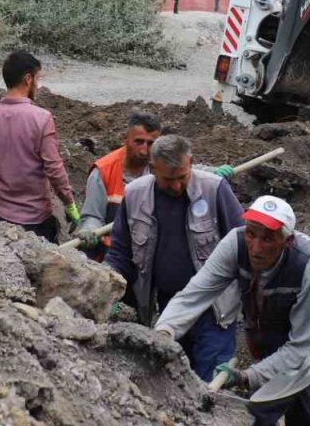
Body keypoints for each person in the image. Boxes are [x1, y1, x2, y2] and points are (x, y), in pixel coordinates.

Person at [155, 195, 310, 426]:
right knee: (295, 405)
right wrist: (164, 332)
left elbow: (301, 347)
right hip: (267, 334)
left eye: (268, 239)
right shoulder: (235, 243)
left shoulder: (309, 265)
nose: (256, 248)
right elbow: (195, 294)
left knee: (262, 408)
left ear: (287, 241)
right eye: (251, 234)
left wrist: (247, 376)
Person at [103, 134, 243, 381]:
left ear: (191, 162)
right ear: (152, 169)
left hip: (214, 309)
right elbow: (120, 253)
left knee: (209, 384)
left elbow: (244, 247)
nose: (177, 186)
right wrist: (107, 286)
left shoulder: (214, 190)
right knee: (174, 384)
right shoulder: (136, 195)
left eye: (182, 177)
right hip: (167, 308)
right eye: (168, 180)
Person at [0, 51, 79, 242]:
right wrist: (69, 204)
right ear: (28, 79)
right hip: (36, 221)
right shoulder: (42, 119)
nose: (38, 84)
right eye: (38, 78)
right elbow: (54, 169)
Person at [74, 112, 163, 259]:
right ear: (126, 139)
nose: (144, 150)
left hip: (148, 252)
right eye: (138, 142)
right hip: (111, 253)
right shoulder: (103, 171)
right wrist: (90, 229)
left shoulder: (161, 168)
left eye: (151, 143)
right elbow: (93, 215)